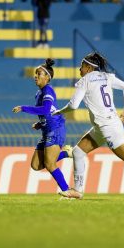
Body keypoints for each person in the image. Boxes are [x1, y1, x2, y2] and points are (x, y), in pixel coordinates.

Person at [52, 52, 124, 199]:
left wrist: (59, 112)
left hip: (108, 127)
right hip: (103, 126)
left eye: (81, 66)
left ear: (88, 67)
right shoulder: (106, 77)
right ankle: (77, 191)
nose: (79, 70)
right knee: (78, 152)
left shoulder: (85, 81)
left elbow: (73, 105)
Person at [12, 59, 80, 198]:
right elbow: (49, 111)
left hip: (55, 129)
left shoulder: (48, 90)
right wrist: (41, 123)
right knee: (36, 165)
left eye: (39, 73)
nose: (35, 76)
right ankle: (66, 153)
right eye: (35, 73)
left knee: (50, 164)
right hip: (46, 129)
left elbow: (46, 108)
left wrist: (24, 108)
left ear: (48, 77)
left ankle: (68, 190)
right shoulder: (39, 93)